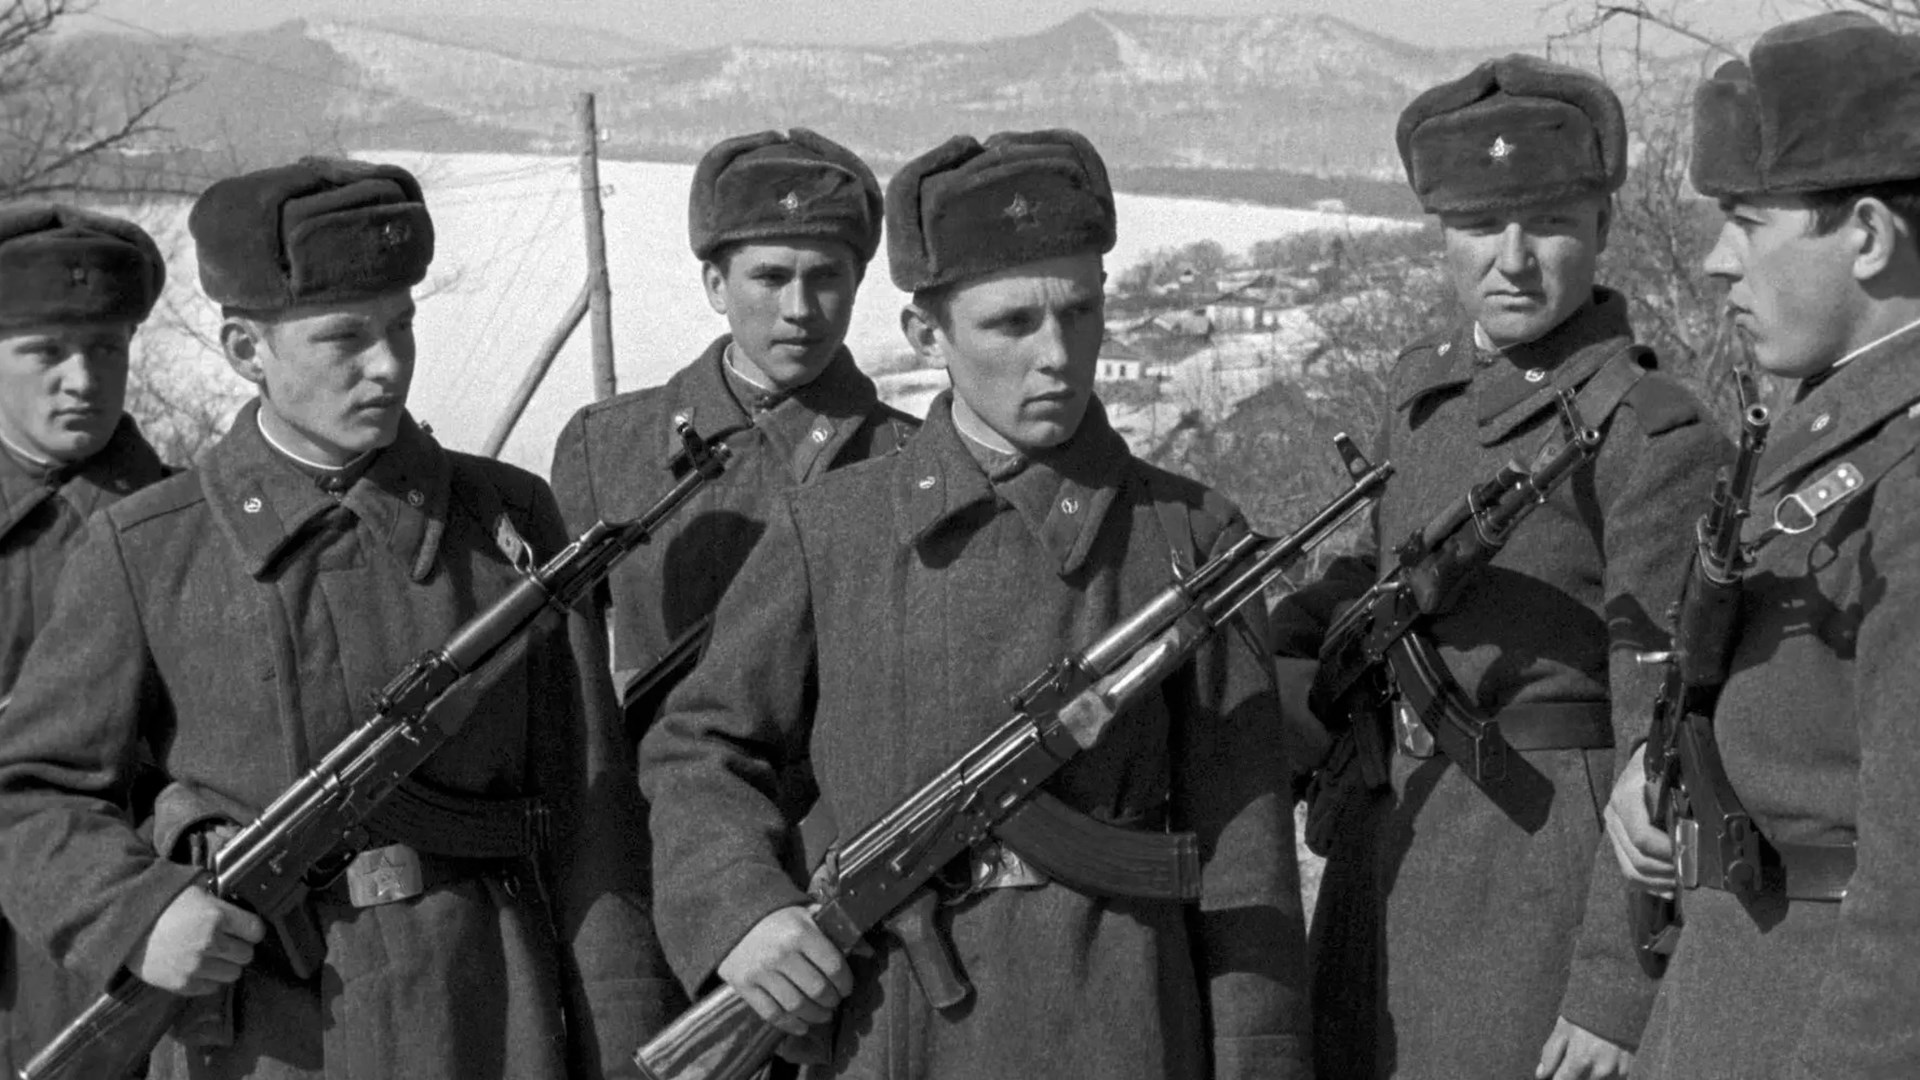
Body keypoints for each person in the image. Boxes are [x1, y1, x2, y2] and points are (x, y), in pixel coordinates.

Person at [639, 130, 1310, 1079]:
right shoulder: (835, 529)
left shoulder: (1188, 539)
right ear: (927, 335)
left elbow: (1248, 866)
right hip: (895, 1026)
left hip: (1121, 1028)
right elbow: (699, 747)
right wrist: (742, 910)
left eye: (1080, 312)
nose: (1057, 356)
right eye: (1011, 325)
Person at [0, 157, 667, 1080]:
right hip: (266, 1040)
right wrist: (135, 913)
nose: (386, 366)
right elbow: (29, 792)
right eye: (343, 338)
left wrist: (624, 1054)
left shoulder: (506, 520)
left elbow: (593, 818)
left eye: (403, 328)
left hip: (493, 1022)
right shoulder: (147, 549)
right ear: (245, 351)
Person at [1270, 56, 1731, 1079]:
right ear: (1442, 234)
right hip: (1387, 852)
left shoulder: (1651, 431)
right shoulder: (1420, 391)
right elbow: (1372, 571)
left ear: (1605, 226)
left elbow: (1665, 736)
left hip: (1540, 882)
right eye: (1481, 228)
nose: (1512, 260)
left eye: (1550, 223)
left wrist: (1617, 987)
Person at [1604, 14, 1920, 1078]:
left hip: (1826, 1021)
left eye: (1746, 220)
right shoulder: (1829, 428)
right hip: (1744, 989)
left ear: (1869, 234)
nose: (1713, 260)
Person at [549, 128, 914, 720]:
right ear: (717, 286)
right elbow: (566, 680)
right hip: (650, 795)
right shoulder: (609, 447)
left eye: (825, 277)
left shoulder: (909, 459)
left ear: (856, 286)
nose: (799, 309)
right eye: (770, 278)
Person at [0, 204, 171, 1078]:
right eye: (46, 352)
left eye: (107, 349)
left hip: (121, 951)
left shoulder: (183, 530)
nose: (82, 380)